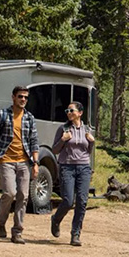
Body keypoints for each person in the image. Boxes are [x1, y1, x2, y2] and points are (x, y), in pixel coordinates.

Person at [0, 86, 39, 244]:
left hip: (24, 161)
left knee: (23, 195)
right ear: (13, 97)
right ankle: (0, 222)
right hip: (6, 159)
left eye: (26, 98)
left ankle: (17, 232)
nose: (23, 100)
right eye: (20, 96)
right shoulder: (2, 115)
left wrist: (35, 163)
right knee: (9, 193)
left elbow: (34, 142)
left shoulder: (29, 118)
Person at [50, 101, 94, 246]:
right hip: (67, 167)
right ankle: (56, 219)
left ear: (80, 113)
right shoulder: (63, 129)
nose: (68, 113)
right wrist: (63, 140)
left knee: (82, 202)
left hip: (84, 168)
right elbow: (55, 150)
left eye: (71, 110)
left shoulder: (87, 129)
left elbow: (88, 151)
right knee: (68, 201)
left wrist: (92, 143)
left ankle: (75, 234)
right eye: (67, 111)